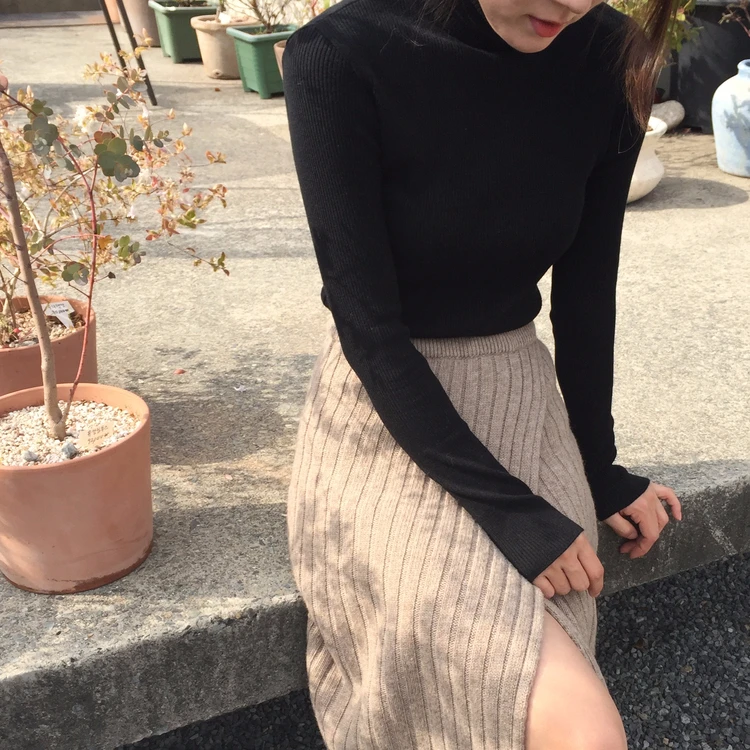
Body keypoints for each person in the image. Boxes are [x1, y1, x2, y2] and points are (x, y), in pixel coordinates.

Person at [283, 0, 683, 747]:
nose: (572, 4)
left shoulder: (608, 53)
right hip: (383, 416)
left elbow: (586, 295)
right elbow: (369, 329)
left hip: (519, 395)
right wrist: (514, 515)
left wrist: (599, 469)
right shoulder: (339, 54)